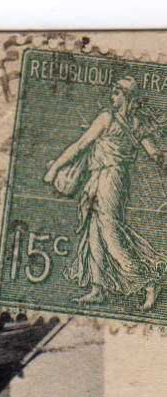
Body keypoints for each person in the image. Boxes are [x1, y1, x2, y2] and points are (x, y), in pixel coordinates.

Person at [44, 75, 167, 311]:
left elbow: (80, 145)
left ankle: (149, 280)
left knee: (110, 233)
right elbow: (155, 154)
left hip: (110, 179)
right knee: (94, 232)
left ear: (126, 96)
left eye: (117, 92)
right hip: (106, 178)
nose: (112, 96)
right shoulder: (137, 123)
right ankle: (98, 288)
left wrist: (54, 167)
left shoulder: (107, 118)